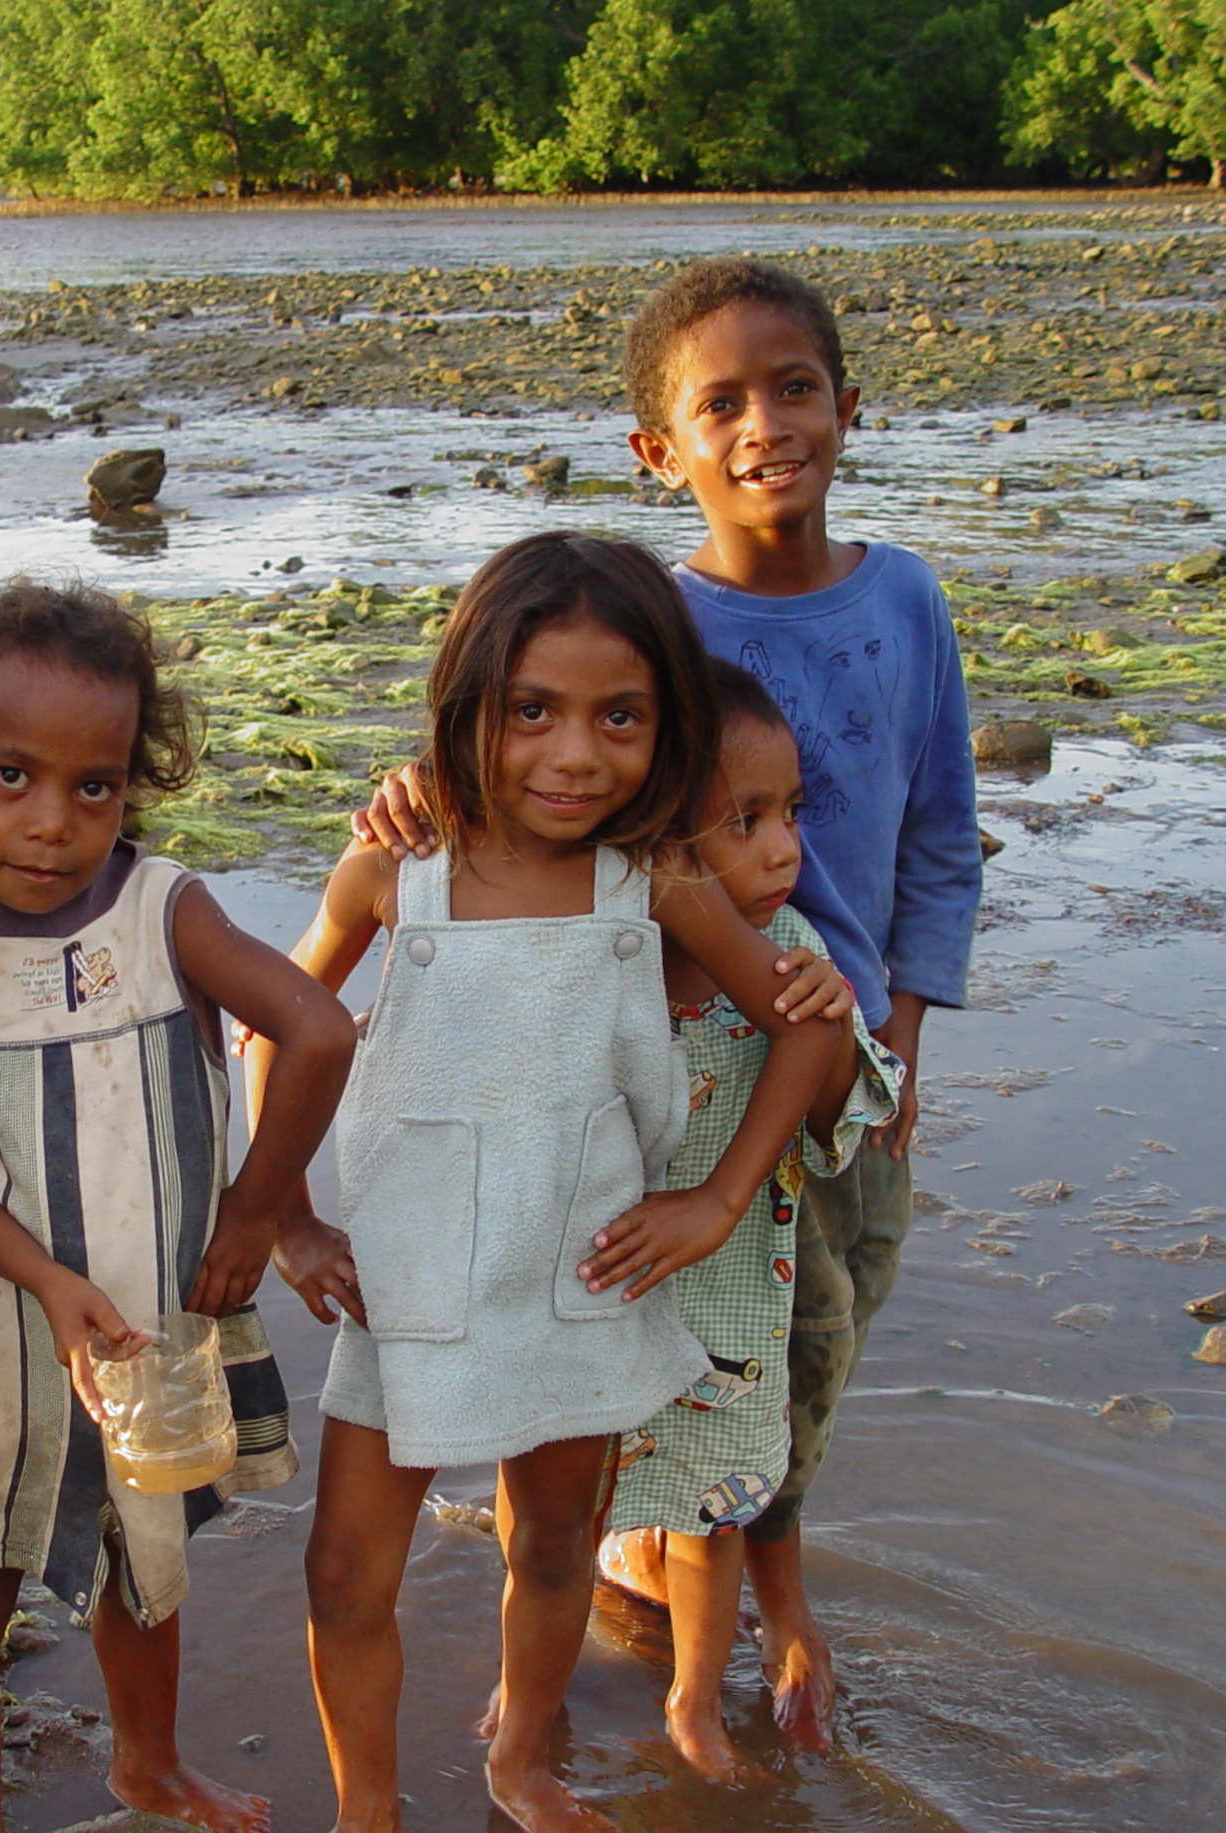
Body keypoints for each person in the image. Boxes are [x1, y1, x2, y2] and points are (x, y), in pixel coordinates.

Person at [357, 257, 982, 1748]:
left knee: (821, 1329)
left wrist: (903, 1027)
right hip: (675, 1041)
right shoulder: (649, 624)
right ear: (662, 450)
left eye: (796, 388)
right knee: (693, 1321)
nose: (766, 423)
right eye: (723, 403)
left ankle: (755, 1574)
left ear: (849, 406)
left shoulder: (905, 599)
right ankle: (702, 1566)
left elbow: (943, 832)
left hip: (830, 1047)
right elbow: (532, 759)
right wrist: (415, 797)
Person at [260, 533, 838, 1833]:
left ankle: (519, 1762)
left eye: (618, 716)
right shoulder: (391, 874)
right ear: (469, 707)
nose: (574, 755)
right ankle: (366, 1810)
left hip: (581, 1275)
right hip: (405, 1286)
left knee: (555, 1542)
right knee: (346, 1570)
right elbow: (283, 1027)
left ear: (667, 725)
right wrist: (285, 1216)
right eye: (533, 712)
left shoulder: (656, 882)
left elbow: (807, 1025)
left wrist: (719, 1199)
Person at [0, 582, 357, 1833]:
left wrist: (259, 1215)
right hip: (6, 1346)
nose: (52, 823)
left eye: (93, 787)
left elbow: (314, 1029)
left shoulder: (164, 910)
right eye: (11, 778)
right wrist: (47, 1283)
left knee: (148, 1564)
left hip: (155, 1333)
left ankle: (147, 1763)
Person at [597, 658, 902, 1782]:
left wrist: (820, 1029)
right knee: (560, 1511)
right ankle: (523, 1691)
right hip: (597, 1302)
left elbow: (845, 1115)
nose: (786, 851)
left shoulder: (798, 965)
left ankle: (693, 1703)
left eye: (791, 815)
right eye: (745, 822)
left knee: (712, 1516)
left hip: (729, 1318)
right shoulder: (598, 962)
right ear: (655, 841)